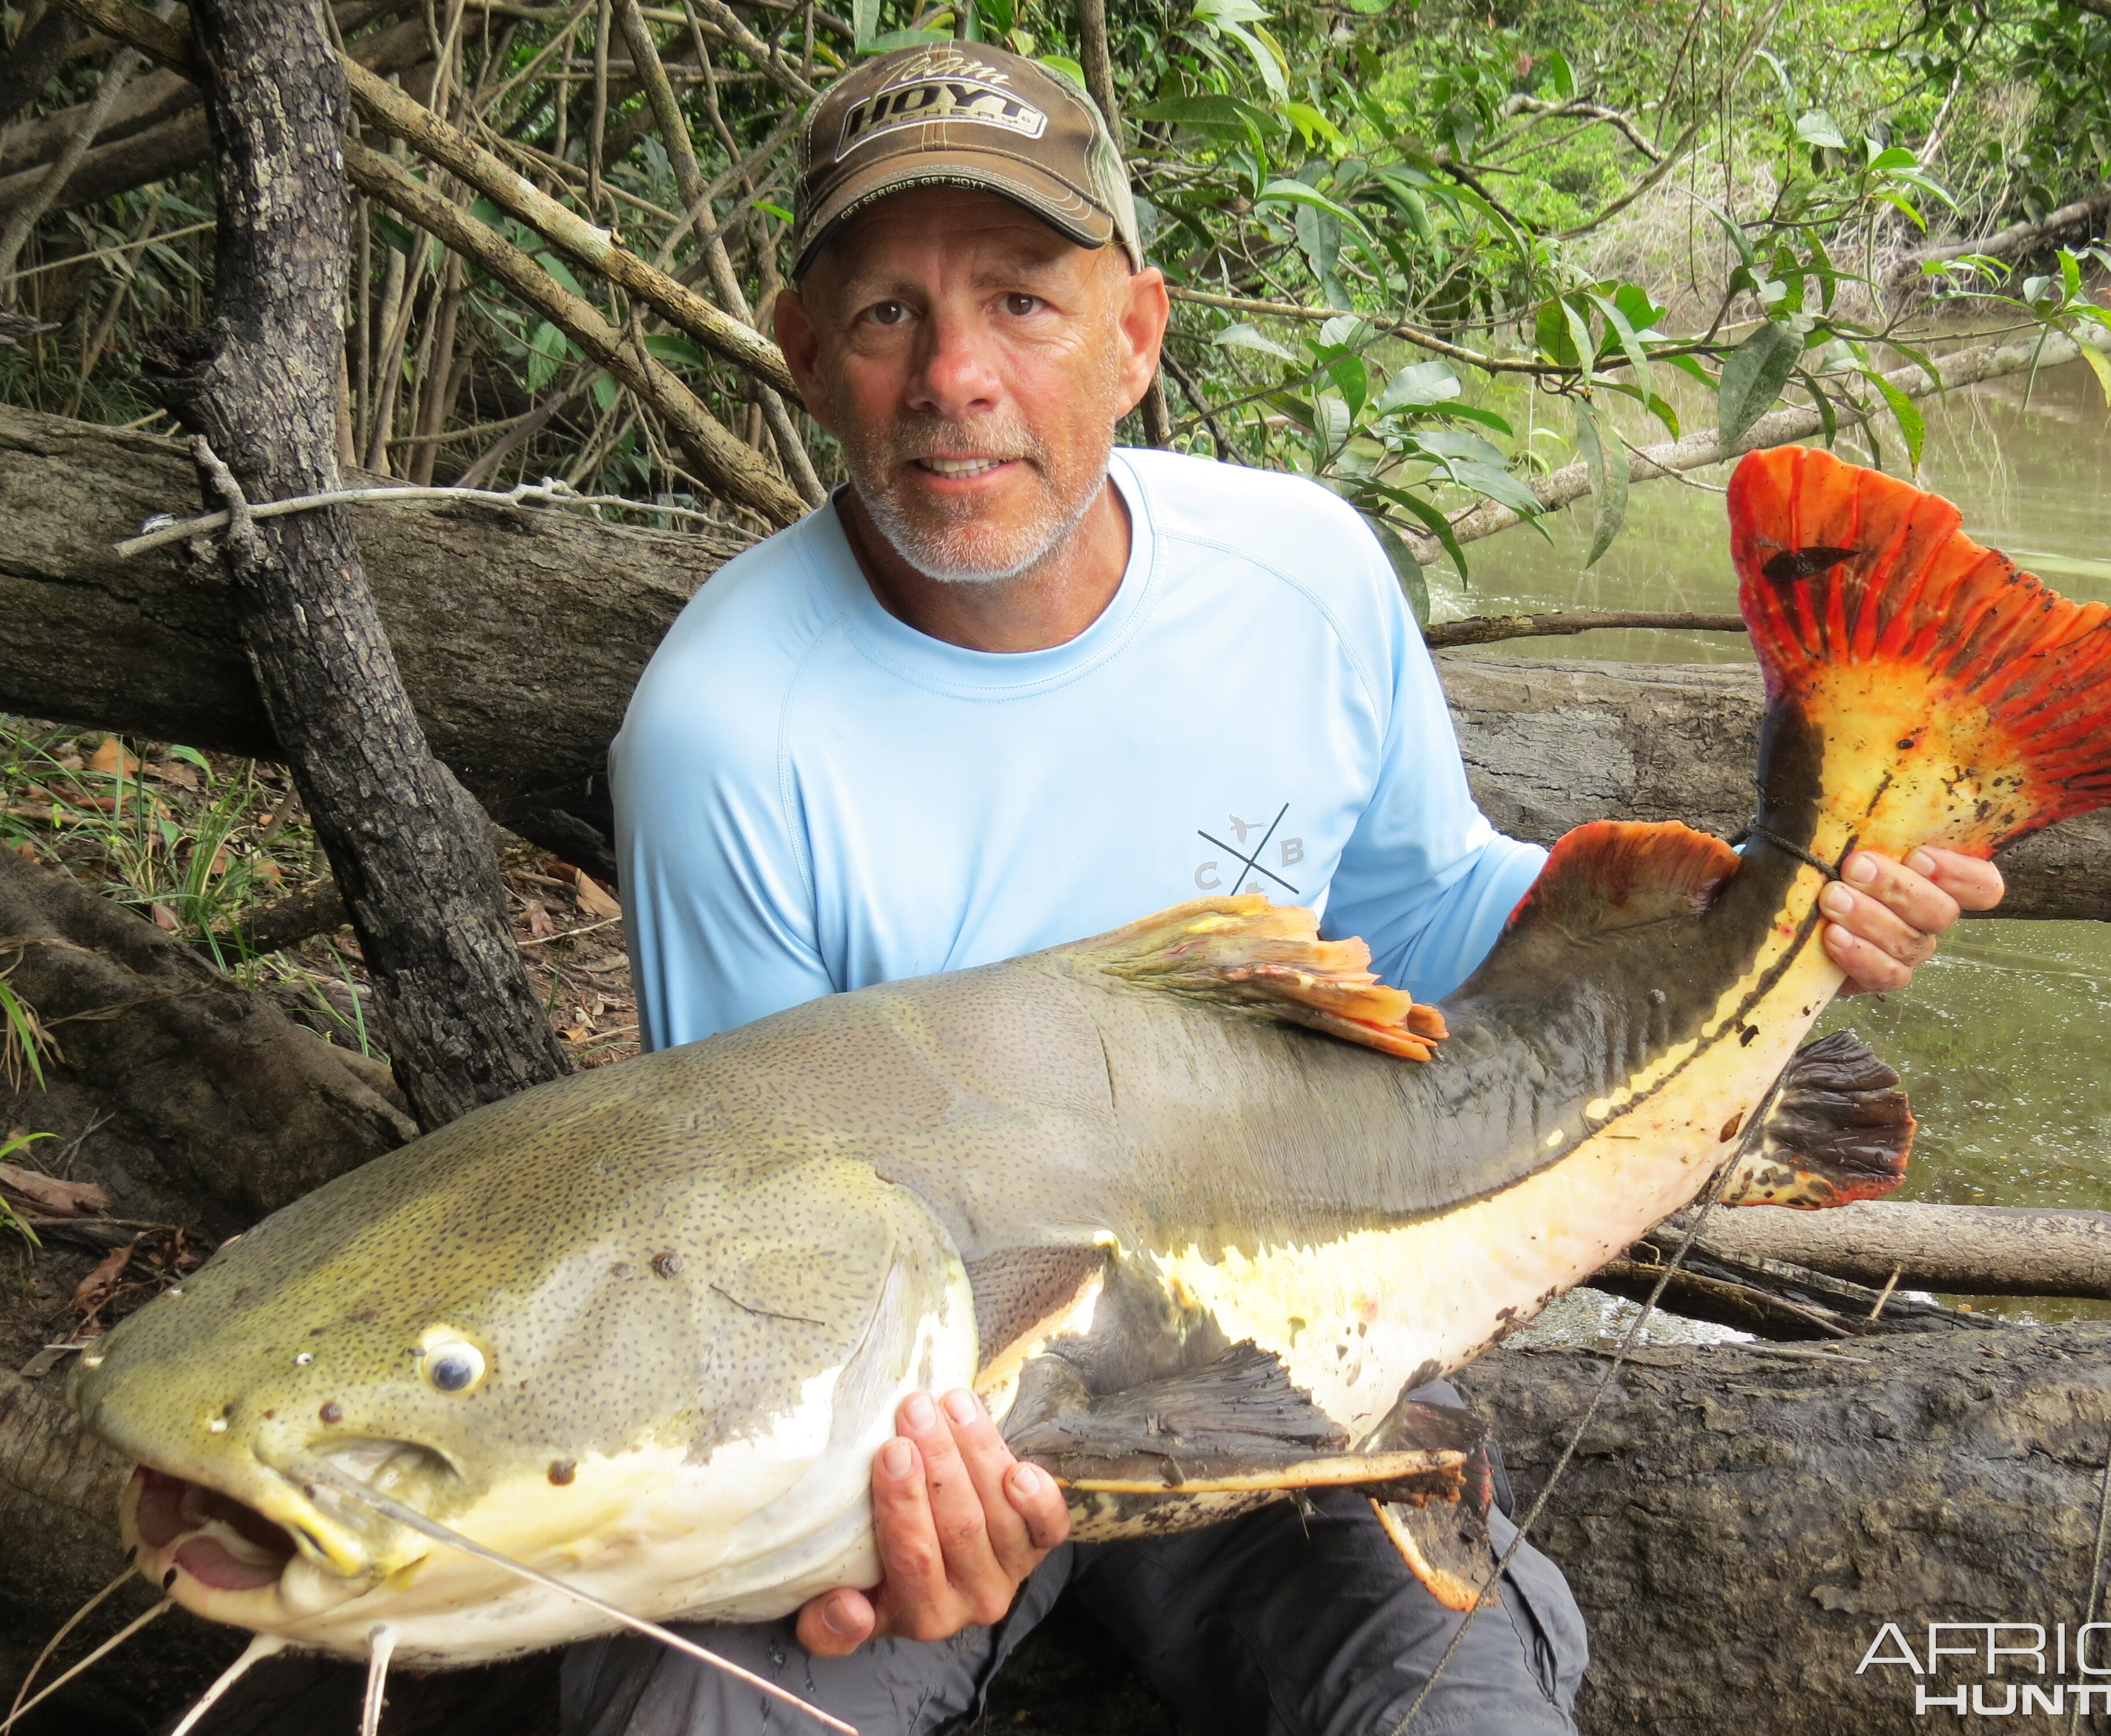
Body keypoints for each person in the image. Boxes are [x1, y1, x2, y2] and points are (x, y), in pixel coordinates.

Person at [566, 42, 2005, 1736]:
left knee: (1459, 1709)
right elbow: (758, 1258)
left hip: (1302, 1374)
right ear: (806, 354)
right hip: (925, 1441)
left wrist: (1791, 923)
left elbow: (1434, 929)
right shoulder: (724, 732)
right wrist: (854, 1537)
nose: (955, 373)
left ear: (1137, 335)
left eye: (1024, 302)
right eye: (888, 312)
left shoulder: (1302, 573)